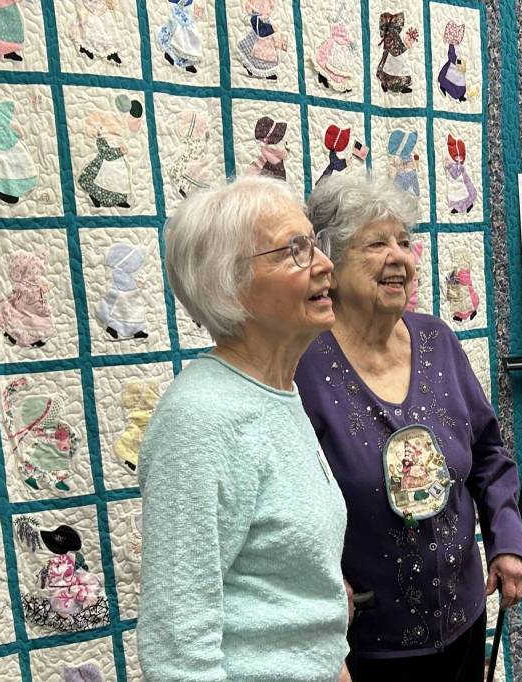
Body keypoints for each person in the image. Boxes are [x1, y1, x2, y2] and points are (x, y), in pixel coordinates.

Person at [296, 174, 522, 681]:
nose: (398, 256)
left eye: (404, 241)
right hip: (367, 645)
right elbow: (287, 507)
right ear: (329, 265)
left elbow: (488, 453)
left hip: (464, 619)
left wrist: (506, 540)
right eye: (377, 243)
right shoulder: (302, 366)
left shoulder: (436, 340)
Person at [136, 175, 351, 681]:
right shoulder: (202, 419)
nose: (323, 263)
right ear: (228, 283)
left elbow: (293, 597)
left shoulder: (278, 391)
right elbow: (177, 646)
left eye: (314, 243)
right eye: (294, 250)